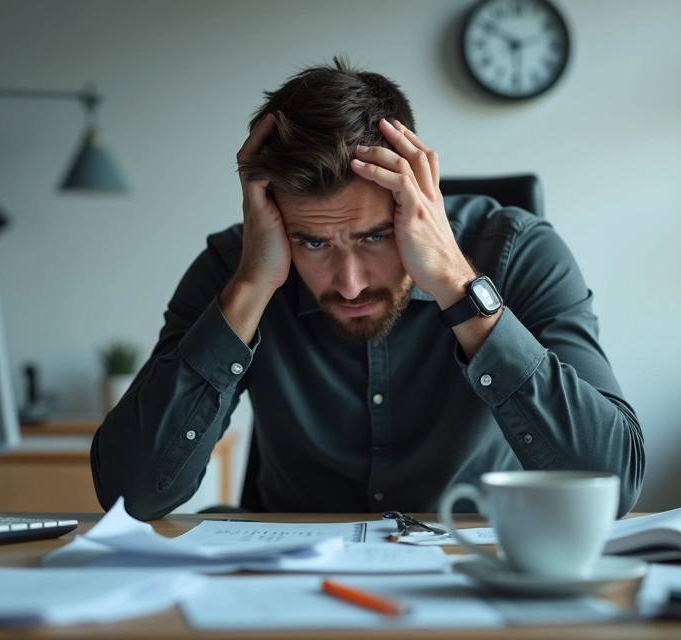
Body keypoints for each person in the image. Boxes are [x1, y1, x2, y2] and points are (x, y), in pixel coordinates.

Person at [90, 57, 644, 521]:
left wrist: (456, 282)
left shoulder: (519, 252)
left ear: (418, 203)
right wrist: (251, 287)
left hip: (474, 572)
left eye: (375, 236)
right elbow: (132, 498)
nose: (350, 282)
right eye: (313, 243)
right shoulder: (235, 268)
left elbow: (613, 486)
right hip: (283, 587)